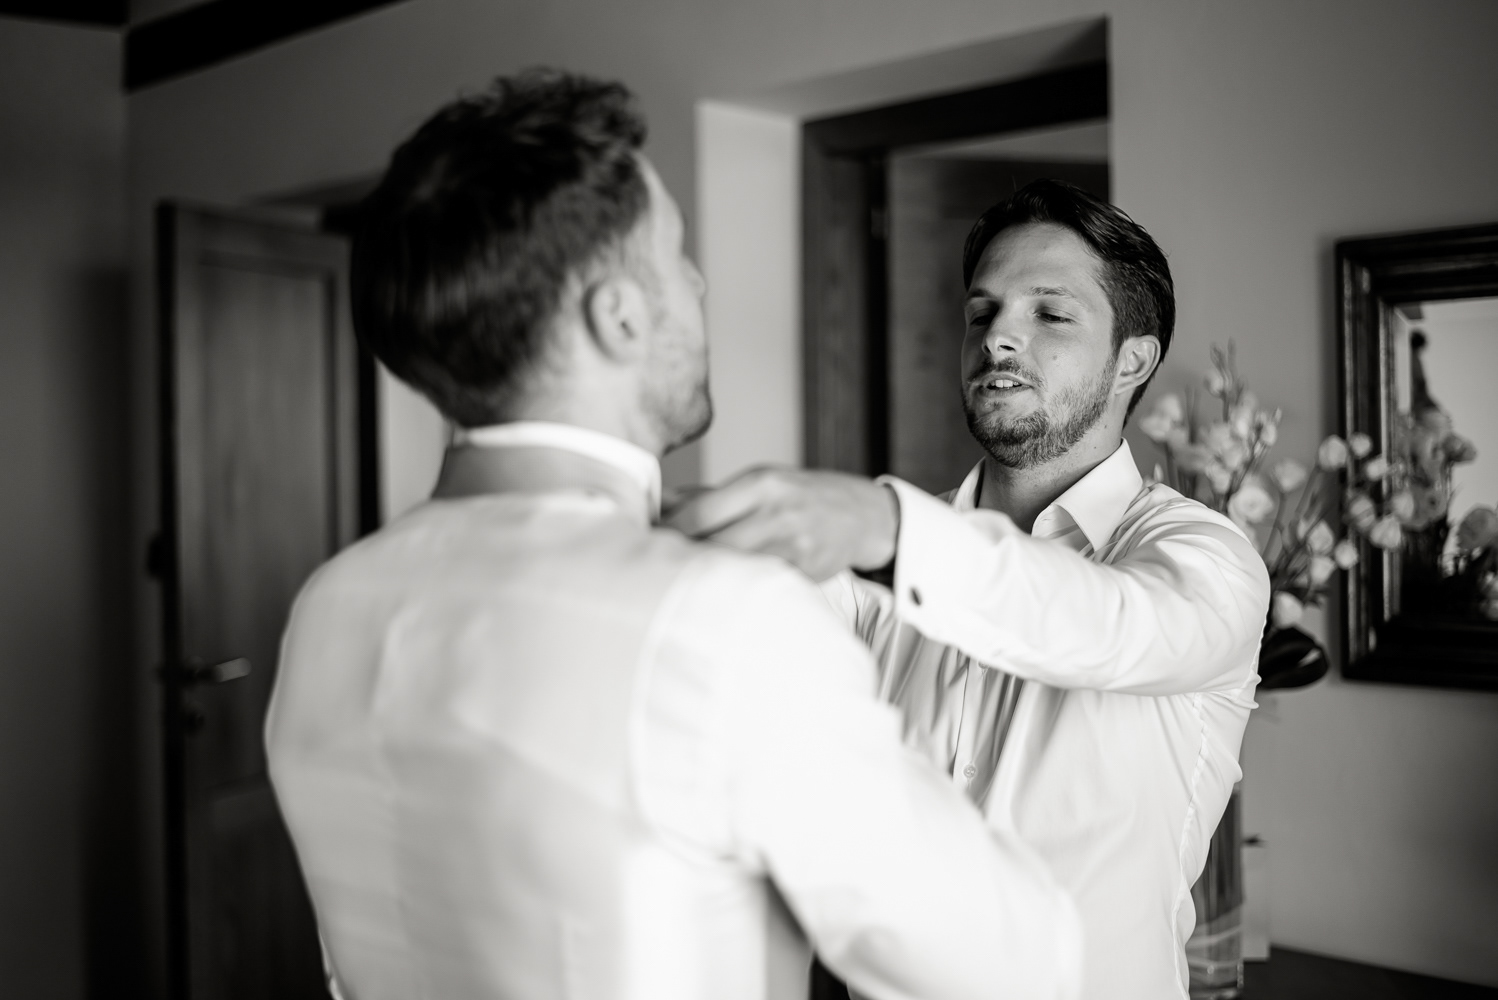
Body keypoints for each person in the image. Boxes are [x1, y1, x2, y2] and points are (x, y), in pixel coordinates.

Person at [265, 71, 1081, 1000]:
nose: (697, 282)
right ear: (617, 315)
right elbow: (1014, 961)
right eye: (676, 253)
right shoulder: (721, 619)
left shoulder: (329, 603)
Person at [669, 180, 1271, 1000]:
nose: (998, 339)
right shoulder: (868, 573)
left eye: (1049, 314)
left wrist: (891, 530)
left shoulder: (1203, 558)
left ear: (1133, 360)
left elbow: (1110, 626)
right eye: (982, 312)